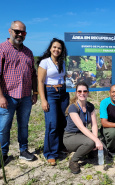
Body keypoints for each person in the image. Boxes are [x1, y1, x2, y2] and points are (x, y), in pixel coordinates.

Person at [0, 20, 37, 164]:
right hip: (7, 97)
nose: (20, 34)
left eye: (23, 32)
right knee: (4, 127)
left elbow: (33, 74)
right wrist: (1, 96)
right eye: (17, 31)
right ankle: (3, 155)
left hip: (26, 96)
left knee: (23, 125)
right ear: (10, 31)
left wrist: (35, 93)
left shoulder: (28, 52)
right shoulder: (2, 49)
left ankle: (23, 150)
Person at [37, 38, 69, 166]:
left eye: (59, 48)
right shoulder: (45, 63)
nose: (57, 49)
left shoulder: (63, 63)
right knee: (52, 124)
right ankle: (50, 153)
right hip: (50, 93)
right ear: (50, 48)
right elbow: (40, 82)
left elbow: (67, 78)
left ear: (62, 50)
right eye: (54, 47)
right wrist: (43, 100)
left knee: (63, 122)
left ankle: (60, 147)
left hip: (63, 93)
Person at [63, 82, 103, 174]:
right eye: (79, 91)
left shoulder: (90, 106)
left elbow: (94, 125)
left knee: (102, 147)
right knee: (91, 142)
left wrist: (96, 140)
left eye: (85, 91)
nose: (82, 93)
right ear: (76, 93)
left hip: (82, 135)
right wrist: (96, 141)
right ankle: (74, 160)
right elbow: (81, 127)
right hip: (70, 137)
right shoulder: (73, 107)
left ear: (88, 92)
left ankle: (87, 151)